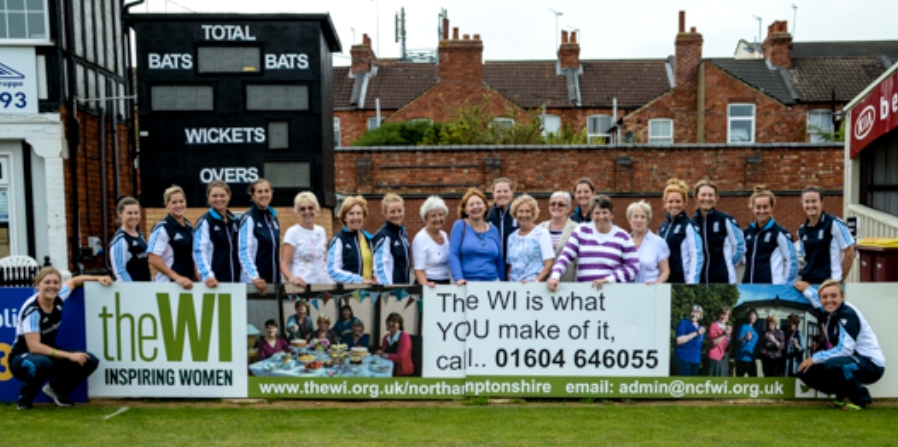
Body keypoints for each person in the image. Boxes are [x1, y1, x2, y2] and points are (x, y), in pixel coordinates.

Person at [10, 267, 112, 409]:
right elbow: (34, 347)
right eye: (47, 282)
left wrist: (98, 278)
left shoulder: (58, 296)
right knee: (41, 363)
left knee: (89, 361)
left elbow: (75, 281)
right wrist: (69, 356)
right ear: (37, 285)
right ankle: (25, 400)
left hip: (48, 353)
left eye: (55, 282)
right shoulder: (33, 311)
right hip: (22, 357)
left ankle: (57, 390)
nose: (52, 286)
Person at [795, 280, 885, 410]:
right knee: (805, 371)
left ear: (842, 297)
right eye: (824, 297)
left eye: (834, 296)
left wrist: (814, 358)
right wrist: (807, 289)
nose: (829, 300)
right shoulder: (830, 309)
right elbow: (818, 300)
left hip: (871, 365)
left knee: (833, 364)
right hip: (852, 359)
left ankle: (860, 398)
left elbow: (845, 350)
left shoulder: (847, 314)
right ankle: (843, 397)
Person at [547, 195, 639, 291]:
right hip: (585, 295)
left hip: (613, 293)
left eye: (605, 212)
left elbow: (633, 266)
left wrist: (609, 280)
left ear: (612, 215)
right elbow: (565, 256)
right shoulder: (581, 231)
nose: (601, 217)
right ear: (592, 215)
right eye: (597, 213)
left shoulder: (623, 236)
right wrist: (555, 276)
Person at [798, 186, 856, 284]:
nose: (810, 205)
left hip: (829, 283)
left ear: (821, 202)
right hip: (808, 283)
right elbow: (806, 259)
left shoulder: (834, 223)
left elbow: (850, 253)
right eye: (807, 202)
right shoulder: (801, 230)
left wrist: (840, 280)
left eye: (814, 201)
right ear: (802, 204)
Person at [742, 186, 798, 284]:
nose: (762, 211)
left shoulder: (780, 233)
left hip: (771, 288)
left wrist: (786, 286)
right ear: (752, 208)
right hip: (749, 287)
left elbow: (793, 261)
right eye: (758, 207)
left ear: (772, 207)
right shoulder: (747, 232)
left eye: (765, 207)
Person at [692, 179, 745, 284]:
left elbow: (740, 246)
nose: (707, 198)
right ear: (696, 198)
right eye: (703, 195)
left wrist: (727, 265)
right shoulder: (692, 224)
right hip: (699, 281)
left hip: (723, 280)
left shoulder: (726, 220)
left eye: (710, 195)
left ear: (716, 198)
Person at [448, 188, 505, 284]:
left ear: (485, 207)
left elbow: (499, 260)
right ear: (465, 210)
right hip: (467, 283)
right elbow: (453, 254)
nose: (475, 207)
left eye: (478, 203)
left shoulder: (493, 229)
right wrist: (458, 278)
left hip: (493, 282)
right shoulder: (460, 226)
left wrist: (503, 284)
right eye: (471, 205)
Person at [194, 180, 244, 287]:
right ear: (208, 197)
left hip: (235, 281)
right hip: (213, 283)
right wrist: (208, 276)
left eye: (222, 195)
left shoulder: (235, 221)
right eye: (214, 196)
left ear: (229, 196)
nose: (219, 199)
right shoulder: (205, 221)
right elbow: (199, 252)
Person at [280, 192, 334, 288]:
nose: (307, 212)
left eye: (310, 208)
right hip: (302, 287)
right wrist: (292, 279)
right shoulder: (292, 232)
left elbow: (323, 259)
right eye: (302, 209)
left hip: (323, 285)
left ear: (317, 209)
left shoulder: (321, 231)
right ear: (298, 211)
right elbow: (284, 263)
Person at [147, 185, 197, 289]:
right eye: (174, 202)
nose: (179, 205)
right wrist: (177, 278)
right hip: (168, 286)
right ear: (167, 204)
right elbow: (153, 258)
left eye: (181, 201)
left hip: (188, 285)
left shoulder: (189, 226)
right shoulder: (162, 228)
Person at [239, 179, 281, 293]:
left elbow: (275, 252)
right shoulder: (249, 218)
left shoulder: (273, 218)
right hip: (255, 283)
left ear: (271, 193)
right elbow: (243, 252)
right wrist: (254, 277)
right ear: (252, 196)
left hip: (274, 282)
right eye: (260, 192)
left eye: (267, 191)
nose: (264, 195)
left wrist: (280, 278)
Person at [658, 178, 703, 284]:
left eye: (678, 201)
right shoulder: (662, 227)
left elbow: (696, 255)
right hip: (664, 282)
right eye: (670, 201)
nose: (674, 205)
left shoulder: (689, 225)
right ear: (665, 203)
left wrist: (691, 283)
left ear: (684, 203)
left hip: (682, 283)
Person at [327, 195, 376, 284]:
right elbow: (332, 270)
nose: (355, 217)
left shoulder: (371, 239)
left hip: (370, 293)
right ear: (344, 217)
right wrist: (359, 280)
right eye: (351, 213)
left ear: (363, 216)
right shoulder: (339, 240)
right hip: (349, 294)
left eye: (359, 213)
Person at [506, 195, 555, 283]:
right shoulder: (511, 237)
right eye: (520, 211)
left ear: (533, 213)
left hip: (534, 289)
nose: (524, 215)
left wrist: (535, 283)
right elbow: (509, 266)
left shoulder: (541, 233)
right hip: (514, 288)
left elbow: (548, 264)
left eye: (527, 211)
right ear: (515, 214)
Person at [539, 191, 579, 282]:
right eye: (553, 204)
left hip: (566, 283)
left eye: (560, 204)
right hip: (542, 283)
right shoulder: (540, 228)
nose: (556, 206)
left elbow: (579, 260)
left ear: (568, 209)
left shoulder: (576, 229)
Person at [627, 200, 670, 284]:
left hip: (650, 291)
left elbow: (665, 272)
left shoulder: (658, 242)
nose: (639, 220)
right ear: (630, 220)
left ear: (648, 220)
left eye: (643, 217)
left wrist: (655, 285)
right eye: (635, 216)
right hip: (627, 292)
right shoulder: (624, 242)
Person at [412, 195, 451, 287]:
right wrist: (426, 286)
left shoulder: (445, 235)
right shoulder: (421, 238)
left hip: (445, 282)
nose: (438, 219)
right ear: (426, 218)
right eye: (433, 216)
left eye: (441, 214)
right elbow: (419, 271)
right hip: (429, 283)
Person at [373, 193, 412, 285]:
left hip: (403, 289)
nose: (396, 215)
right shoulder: (384, 235)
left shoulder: (403, 234)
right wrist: (387, 289)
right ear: (385, 213)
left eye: (399, 211)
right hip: (391, 292)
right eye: (392, 212)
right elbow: (380, 267)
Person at [109, 197, 150, 282]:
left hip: (145, 288)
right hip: (131, 291)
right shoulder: (120, 239)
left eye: (136, 213)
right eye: (129, 213)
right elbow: (119, 271)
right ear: (120, 214)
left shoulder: (140, 235)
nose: (134, 216)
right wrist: (131, 290)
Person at [486, 177, 519, 263]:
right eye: (498, 191)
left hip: (514, 265)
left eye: (505, 191)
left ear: (512, 192)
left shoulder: (519, 213)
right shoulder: (487, 215)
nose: (502, 194)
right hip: (492, 264)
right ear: (493, 193)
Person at [376, 312, 414, 377]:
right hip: (388, 368)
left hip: (402, 372)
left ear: (399, 325)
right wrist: (380, 352)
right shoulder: (385, 337)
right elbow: (384, 352)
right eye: (389, 321)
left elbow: (400, 357)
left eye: (394, 322)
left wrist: (384, 355)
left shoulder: (404, 336)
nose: (391, 324)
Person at [673, 305, 706, 376]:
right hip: (683, 358)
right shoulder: (684, 323)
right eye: (692, 312)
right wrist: (696, 333)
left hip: (696, 360)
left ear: (700, 315)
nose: (694, 314)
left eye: (697, 313)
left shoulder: (701, 328)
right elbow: (678, 340)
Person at [707, 306, 732, 376]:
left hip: (724, 358)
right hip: (714, 357)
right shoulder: (714, 325)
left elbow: (728, 344)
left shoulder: (728, 328)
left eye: (726, 315)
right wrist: (724, 334)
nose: (724, 317)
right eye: (723, 314)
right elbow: (714, 343)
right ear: (719, 315)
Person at [735, 308, 760, 377]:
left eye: (754, 315)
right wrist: (744, 338)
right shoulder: (743, 327)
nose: (752, 317)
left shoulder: (757, 329)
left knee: (753, 382)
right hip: (742, 359)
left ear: (756, 317)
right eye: (750, 315)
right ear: (748, 317)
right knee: (739, 382)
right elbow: (737, 342)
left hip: (752, 359)